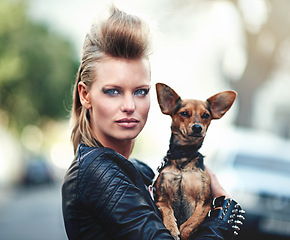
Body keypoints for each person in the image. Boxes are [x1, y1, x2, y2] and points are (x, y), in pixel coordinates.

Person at [62, 6, 243, 240]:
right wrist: (224, 212)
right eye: (113, 91)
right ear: (85, 95)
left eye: (140, 91)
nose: (130, 105)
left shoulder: (140, 171)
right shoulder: (97, 171)